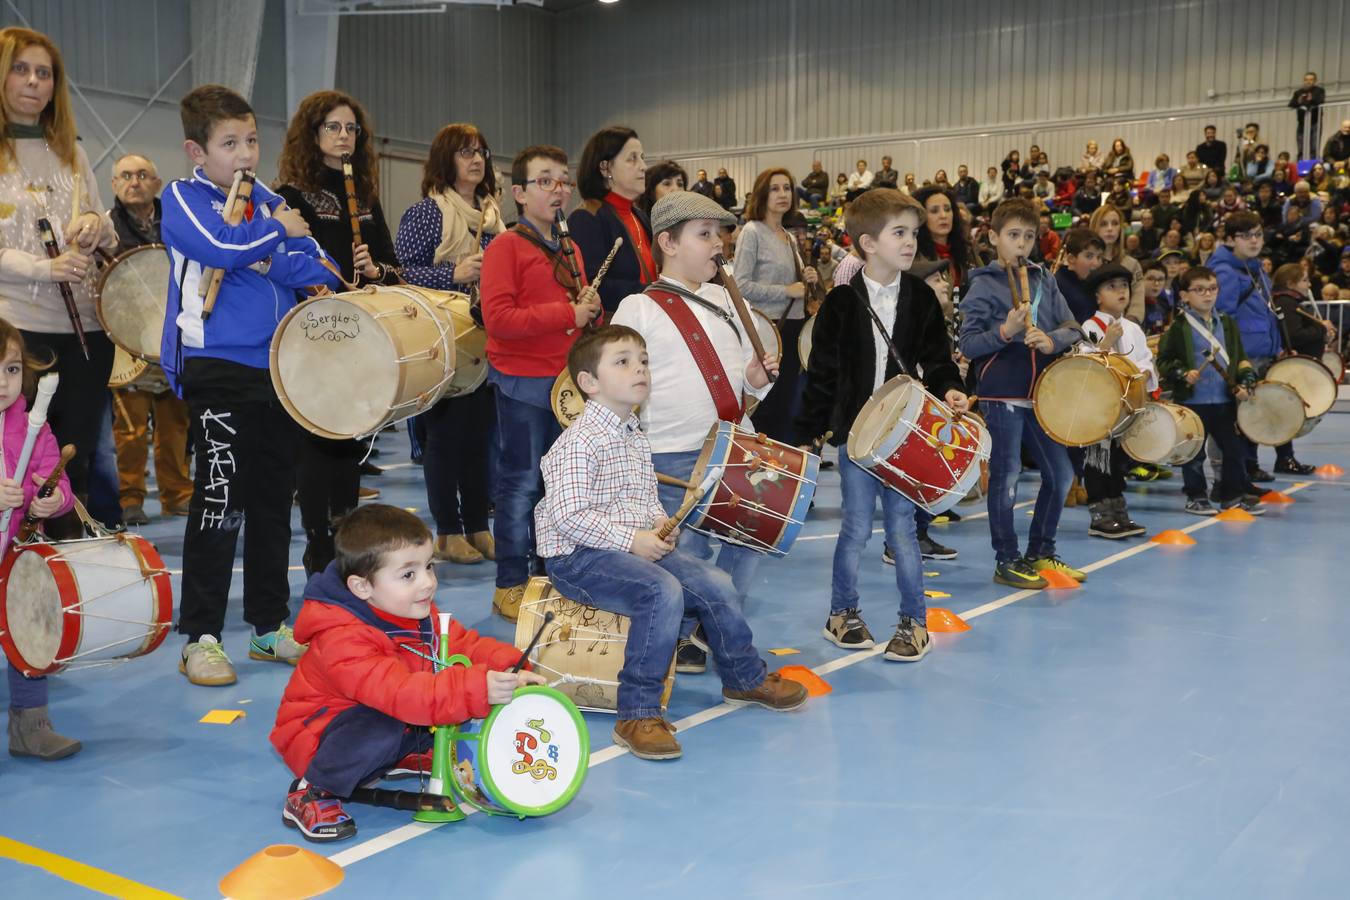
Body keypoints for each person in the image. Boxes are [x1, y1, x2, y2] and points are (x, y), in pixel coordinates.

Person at [535, 326, 807, 760]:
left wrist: (662, 524)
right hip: (579, 558)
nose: (639, 368)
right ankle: (636, 714)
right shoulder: (577, 443)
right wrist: (633, 540)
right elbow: (568, 518)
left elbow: (644, 498)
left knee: (715, 582)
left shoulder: (634, 435)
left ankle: (743, 676)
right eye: (622, 361)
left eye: (642, 360)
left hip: (627, 547)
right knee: (661, 590)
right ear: (589, 383)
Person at [161, 84, 341, 686]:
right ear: (197, 149)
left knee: (270, 502)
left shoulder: (267, 201)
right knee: (218, 501)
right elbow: (213, 244)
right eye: (228, 143)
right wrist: (271, 239)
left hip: (278, 368)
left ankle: (268, 625)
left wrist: (261, 250)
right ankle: (200, 636)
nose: (244, 154)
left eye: (251, 140)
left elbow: (318, 264)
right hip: (217, 366)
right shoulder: (183, 197)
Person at [271, 504, 539, 843]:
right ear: (362, 587)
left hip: (400, 716)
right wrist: (478, 688)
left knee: (452, 710)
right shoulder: (341, 637)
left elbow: (462, 645)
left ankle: (395, 758)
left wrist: (514, 666)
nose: (428, 583)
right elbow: (400, 694)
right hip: (323, 740)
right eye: (408, 575)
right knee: (393, 720)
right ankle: (312, 791)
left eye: (428, 566)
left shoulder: (413, 611)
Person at [611, 191, 778, 672]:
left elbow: (744, 377)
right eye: (703, 234)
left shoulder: (730, 299)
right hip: (671, 452)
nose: (717, 244)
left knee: (751, 540)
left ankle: (704, 625)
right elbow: (621, 384)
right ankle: (685, 634)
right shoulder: (638, 309)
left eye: (719, 233)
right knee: (691, 555)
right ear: (667, 241)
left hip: (734, 444)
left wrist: (756, 380)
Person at [797, 188, 967, 659]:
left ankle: (914, 622)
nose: (911, 242)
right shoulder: (841, 303)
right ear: (868, 243)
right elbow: (822, 375)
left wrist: (949, 385)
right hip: (856, 441)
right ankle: (842, 613)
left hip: (905, 435)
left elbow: (936, 359)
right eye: (900, 233)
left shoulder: (921, 298)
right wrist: (807, 433)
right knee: (854, 528)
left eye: (913, 233)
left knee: (901, 530)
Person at [276, 90, 402, 575]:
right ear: (313, 134)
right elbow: (285, 263)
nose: (344, 136)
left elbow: (394, 269)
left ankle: (347, 539)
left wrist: (375, 271)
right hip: (311, 333)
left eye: (351, 129)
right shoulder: (291, 195)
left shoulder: (364, 196)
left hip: (358, 331)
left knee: (350, 439)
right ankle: (317, 544)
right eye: (333, 127)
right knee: (315, 440)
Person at [0, 27, 119, 515]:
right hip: (18, 332)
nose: (33, 82)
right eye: (21, 69)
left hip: (87, 329)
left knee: (77, 458)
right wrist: (44, 268)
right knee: (18, 463)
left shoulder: (73, 150)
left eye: (44, 73)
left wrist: (96, 224)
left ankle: (67, 563)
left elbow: (105, 228)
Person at [480, 145, 600, 621]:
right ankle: (510, 580)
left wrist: (590, 312)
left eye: (563, 181)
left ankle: (553, 574)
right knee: (521, 483)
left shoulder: (570, 248)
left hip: (567, 384)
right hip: (523, 384)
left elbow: (580, 318)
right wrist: (567, 313)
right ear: (519, 193)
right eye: (545, 181)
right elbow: (499, 319)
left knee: (562, 487)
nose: (559, 190)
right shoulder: (505, 247)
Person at [959, 199, 1085, 589]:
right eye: (1013, 235)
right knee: (1007, 475)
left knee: (1061, 474)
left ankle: (1041, 551)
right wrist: (1005, 332)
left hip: (1042, 394)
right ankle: (1006, 558)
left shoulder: (1045, 279)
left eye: (1029, 236)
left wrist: (1050, 341)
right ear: (994, 237)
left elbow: (1073, 327)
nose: (1021, 244)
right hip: (1002, 396)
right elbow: (968, 343)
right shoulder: (982, 284)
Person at [394, 123, 503, 566]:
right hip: (440, 338)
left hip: (484, 337)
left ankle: (478, 525)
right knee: (445, 437)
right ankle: (447, 530)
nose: (476, 159)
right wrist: (452, 275)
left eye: (481, 151)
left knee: (481, 437)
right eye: (465, 152)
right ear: (446, 160)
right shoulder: (427, 213)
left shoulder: (494, 216)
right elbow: (399, 273)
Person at [1, 319, 77, 759]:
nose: (3, 383)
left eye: (12, 369)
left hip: (16, 552)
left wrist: (54, 501)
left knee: (27, 630)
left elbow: (53, 476)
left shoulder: (31, 421)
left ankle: (31, 726)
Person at [105, 153, 192, 525]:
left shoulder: (177, 221)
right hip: (126, 342)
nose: (135, 181)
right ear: (114, 185)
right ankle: (130, 497)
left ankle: (178, 494)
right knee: (130, 429)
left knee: (176, 425)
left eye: (143, 174)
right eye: (126, 175)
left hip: (175, 337)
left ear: (157, 183)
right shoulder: (105, 228)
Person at [1155, 266, 1262, 516]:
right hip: (1194, 401)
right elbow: (1164, 361)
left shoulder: (1228, 323)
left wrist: (1245, 381)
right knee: (1193, 453)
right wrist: (1183, 373)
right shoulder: (1179, 327)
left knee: (1233, 450)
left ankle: (1232, 496)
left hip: (1224, 400)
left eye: (1213, 288)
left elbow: (1241, 359)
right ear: (1184, 295)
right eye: (1200, 290)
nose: (1208, 295)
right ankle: (1196, 496)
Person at [733, 167, 818, 443]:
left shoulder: (788, 236)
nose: (782, 194)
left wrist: (806, 278)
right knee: (767, 407)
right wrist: (786, 290)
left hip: (792, 328)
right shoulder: (752, 232)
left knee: (786, 406)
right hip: (766, 331)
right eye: (774, 188)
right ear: (762, 194)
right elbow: (741, 285)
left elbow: (795, 288)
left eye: (786, 188)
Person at [1079, 264, 1156, 538]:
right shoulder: (1090, 326)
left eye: (1123, 286)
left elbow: (1144, 358)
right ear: (1098, 296)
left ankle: (1119, 511)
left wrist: (1147, 372)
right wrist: (1105, 343)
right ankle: (1099, 515)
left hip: (1126, 408)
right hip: (1101, 408)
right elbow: (1086, 364)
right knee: (1099, 461)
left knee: (1119, 461)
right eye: (1111, 287)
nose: (1120, 291)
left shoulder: (1133, 327)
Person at [1208, 210, 1282, 484]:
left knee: (1250, 417)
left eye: (1258, 234)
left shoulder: (1254, 266)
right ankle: (1226, 482)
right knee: (1230, 421)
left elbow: (1265, 311)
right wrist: (1236, 360)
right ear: (1230, 239)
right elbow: (1223, 320)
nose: (1254, 240)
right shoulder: (1225, 271)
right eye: (1245, 235)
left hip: (1261, 350)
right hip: (1241, 356)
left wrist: (1277, 346)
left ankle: (1245, 472)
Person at [568, 126, 653, 315]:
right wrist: (652, 294)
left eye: (642, 157)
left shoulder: (640, 216)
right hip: (616, 328)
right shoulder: (586, 218)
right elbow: (592, 286)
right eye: (632, 158)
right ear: (605, 167)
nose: (643, 166)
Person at [1267, 263, 1331, 475]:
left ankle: (1286, 458)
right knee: (1284, 414)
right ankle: (1284, 459)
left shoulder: (1292, 302)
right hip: (1291, 368)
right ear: (1290, 283)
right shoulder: (1286, 302)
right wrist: (1320, 329)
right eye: (1304, 280)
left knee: (1286, 414)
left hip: (1297, 367)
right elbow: (1294, 336)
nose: (1309, 284)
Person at [1089, 204, 1145, 322]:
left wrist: (1129, 326)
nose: (1110, 228)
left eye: (1115, 223)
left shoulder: (1132, 264)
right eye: (1103, 224)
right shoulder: (1087, 264)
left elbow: (1137, 302)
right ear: (1095, 227)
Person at [1055, 227, 1106, 324]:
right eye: (1089, 256)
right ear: (1071, 259)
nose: (1096, 263)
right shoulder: (1058, 288)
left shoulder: (1091, 282)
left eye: (1099, 257)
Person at [1290, 71, 1326, 161]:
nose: (1308, 82)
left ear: (1315, 81)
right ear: (1304, 81)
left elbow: (1320, 101)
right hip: (1302, 122)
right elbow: (1291, 104)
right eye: (1306, 80)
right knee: (1301, 146)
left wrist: (1311, 99)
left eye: (1311, 80)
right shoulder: (1298, 92)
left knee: (1314, 146)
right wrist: (1299, 101)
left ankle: (1314, 165)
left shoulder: (1319, 90)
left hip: (1315, 121)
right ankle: (1301, 166)